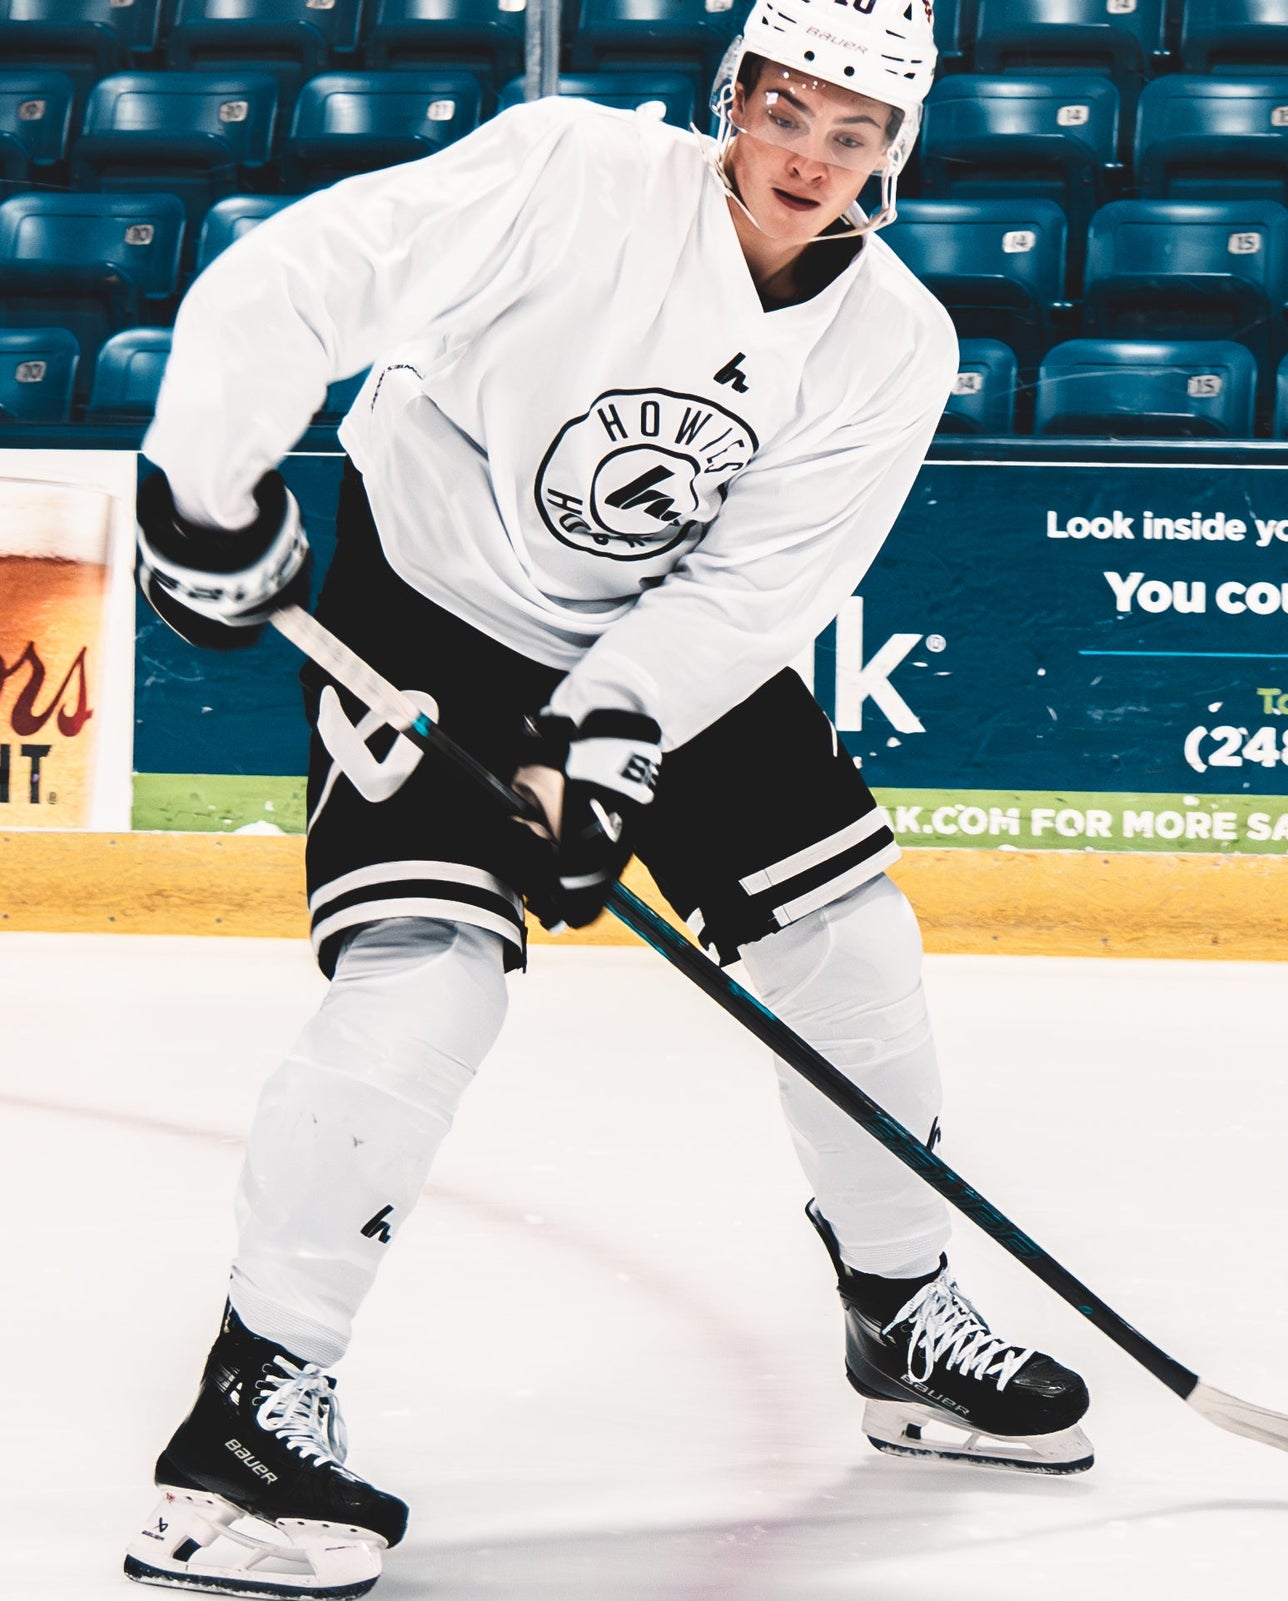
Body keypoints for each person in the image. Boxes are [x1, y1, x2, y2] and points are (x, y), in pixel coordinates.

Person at [125, 1, 1091, 1593]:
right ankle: (249, 1413)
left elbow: (756, 590)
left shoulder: (895, 343)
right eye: (789, 112)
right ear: (739, 97)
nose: (811, 157)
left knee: (850, 937)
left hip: (657, 637)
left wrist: (608, 739)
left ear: (894, 154)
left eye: (855, 134)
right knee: (426, 975)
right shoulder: (569, 170)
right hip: (426, 599)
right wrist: (208, 489)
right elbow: (296, 280)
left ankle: (900, 1308)